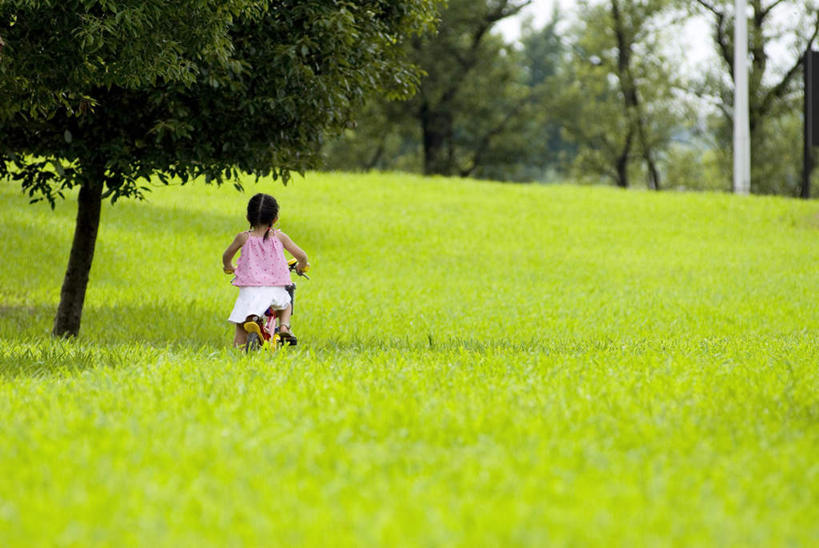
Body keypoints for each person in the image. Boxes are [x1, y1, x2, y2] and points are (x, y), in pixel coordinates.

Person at [222, 193, 309, 347]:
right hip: (275, 289)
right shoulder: (280, 237)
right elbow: (302, 256)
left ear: (248, 217)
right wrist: (302, 265)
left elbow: (226, 256)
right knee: (286, 304)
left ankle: (238, 353)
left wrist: (229, 267)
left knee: (241, 327)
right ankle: (284, 326)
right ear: (275, 218)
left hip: (249, 291)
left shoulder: (243, 238)